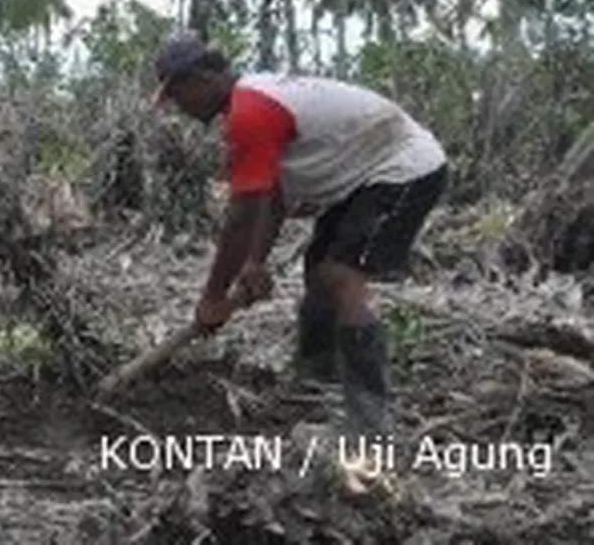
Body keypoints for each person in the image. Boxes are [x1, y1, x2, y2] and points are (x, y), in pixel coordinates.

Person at [150, 33, 448, 490]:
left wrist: (212, 297)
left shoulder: (250, 113)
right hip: (363, 178)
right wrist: (254, 265)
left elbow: (241, 216)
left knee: (341, 274)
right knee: (319, 277)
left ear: (203, 79)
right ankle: (316, 385)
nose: (178, 107)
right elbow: (270, 201)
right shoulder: (249, 104)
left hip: (405, 167)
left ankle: (371, 428)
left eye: (177, 94)